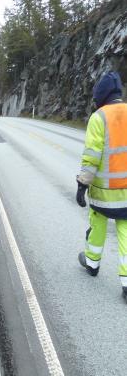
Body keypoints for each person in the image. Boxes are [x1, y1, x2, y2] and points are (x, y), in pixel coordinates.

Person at [76, 71, 127, 302]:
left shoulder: (99, 117)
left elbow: (92, 157)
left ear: (101, 95)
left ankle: (92, 263)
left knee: (96, 225)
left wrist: (81, 185)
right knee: (125, 232)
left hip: (103, 192)